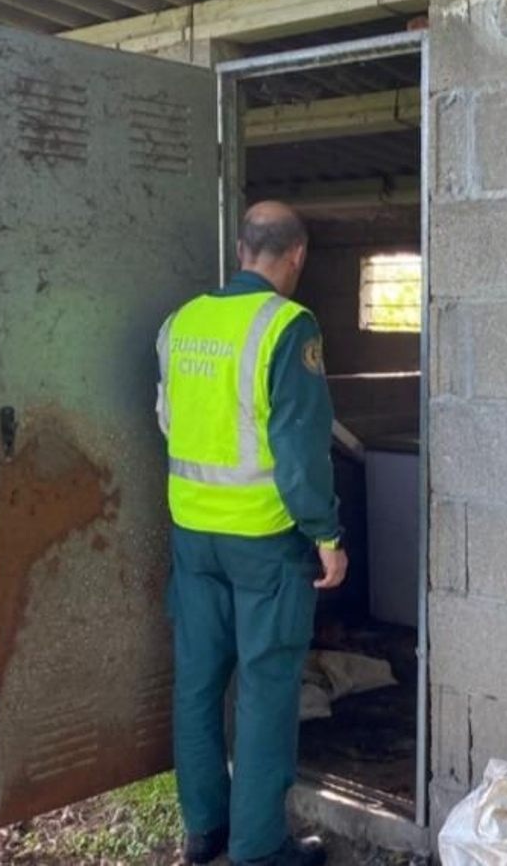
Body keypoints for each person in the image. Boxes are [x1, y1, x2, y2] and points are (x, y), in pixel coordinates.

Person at [155, 201, 348, 866]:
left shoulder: (181, 322)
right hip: (264, 542)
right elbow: (299, 450)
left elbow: (168, 419)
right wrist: (326, 534)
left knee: (198, 685)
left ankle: (203, 829)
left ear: (240, 251)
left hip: (193, 535)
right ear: (296, 256)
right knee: (266, 692)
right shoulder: (289, 326)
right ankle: (259, 848)